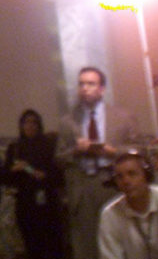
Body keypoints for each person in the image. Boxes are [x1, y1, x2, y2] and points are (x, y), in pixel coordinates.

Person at [58, 66, 140, 259]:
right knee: (88, 246)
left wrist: (114, 152)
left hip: (113, 183)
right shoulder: (68, 121)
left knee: (122, 240)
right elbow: (58, 158)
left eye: (91, 84)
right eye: (81, 84)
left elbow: (139, 150)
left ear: (102, 89)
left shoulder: (122, 116)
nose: (85, 88)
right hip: (83, 187)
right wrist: (76, 151)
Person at [3, 109, 64, 259]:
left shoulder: (47, 146)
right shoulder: (15, 148)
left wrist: (43, 174)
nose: (30, 126)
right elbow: (5, 177)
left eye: (33, 122)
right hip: (25, 202)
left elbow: (58, 175)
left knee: (52, 244)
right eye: (26, 122)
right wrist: (14, 169)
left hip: (47, 202)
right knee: (31, 245)